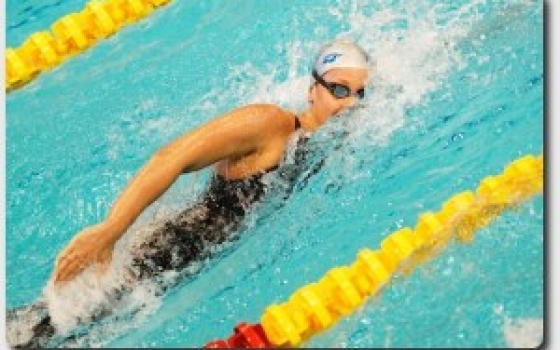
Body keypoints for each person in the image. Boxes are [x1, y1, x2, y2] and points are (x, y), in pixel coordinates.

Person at [52, 39, 372, 285]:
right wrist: (111, 231)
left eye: (359, 94)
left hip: (190, 267)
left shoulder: (322, 144)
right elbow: (172, 156)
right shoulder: (270, 124)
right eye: (339, 89)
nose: (349, 104)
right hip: (160, 257)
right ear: (312, 90)